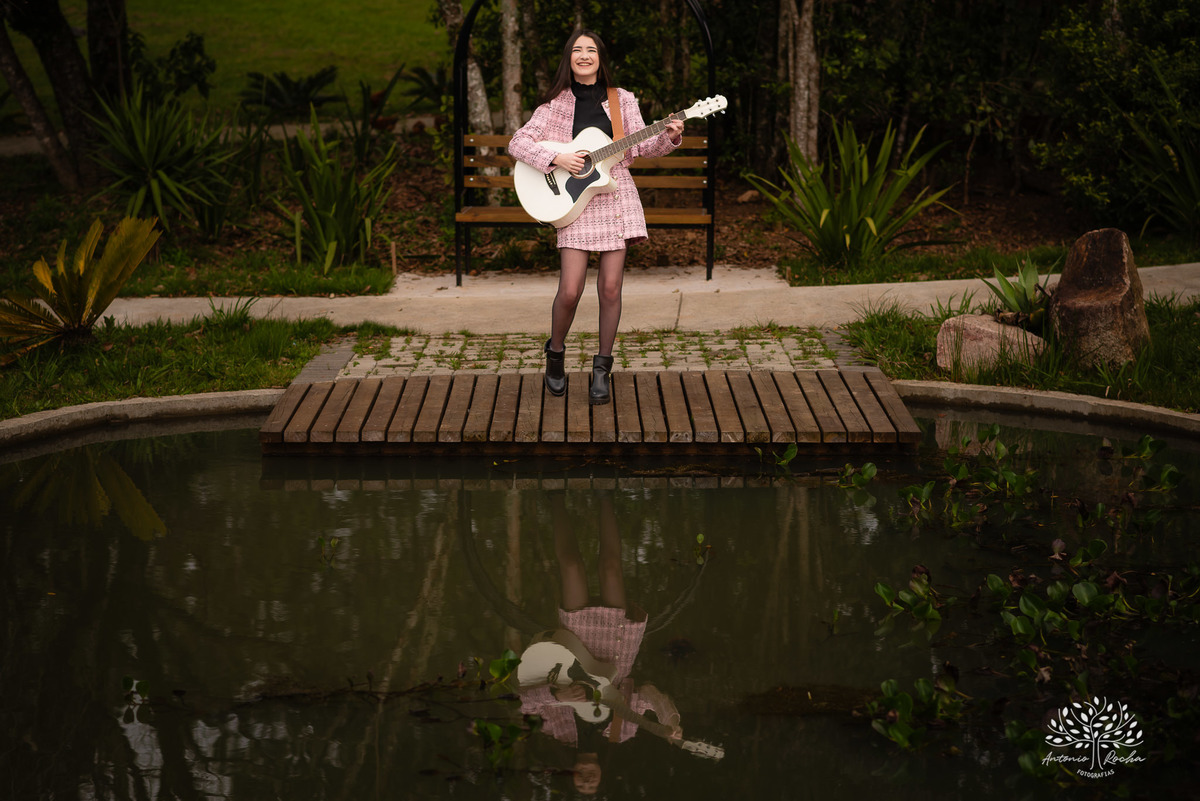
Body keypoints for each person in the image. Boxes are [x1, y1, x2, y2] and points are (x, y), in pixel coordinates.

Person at [508, 30, 685, 405]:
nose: (584, 55)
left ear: (601, 58)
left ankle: (602, 368)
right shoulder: (554, 105)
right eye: (577, 50)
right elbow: (518, 142)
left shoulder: (622, 100)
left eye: (591, 50)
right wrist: (556, 158)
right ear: (569, 58)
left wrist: (668, 135)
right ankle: (555, 354)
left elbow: (644, 145)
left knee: (610, 288)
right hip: (573, 201)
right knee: (570, 290)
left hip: (615, 197)